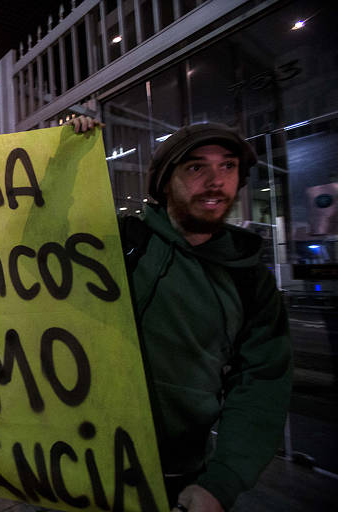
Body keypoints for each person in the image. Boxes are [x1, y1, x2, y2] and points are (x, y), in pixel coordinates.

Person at [69, 118, 292, 511]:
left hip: (176, 478)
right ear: (163, 182)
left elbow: (261, 384)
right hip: (76, 463)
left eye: (228, 166)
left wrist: (220, 484)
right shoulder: (119, 242)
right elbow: (35, 248)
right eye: (195, 167)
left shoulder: (249, 280)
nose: (215, 180)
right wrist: (66, 149)